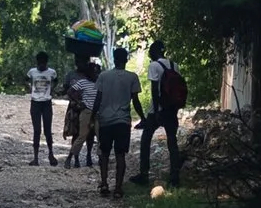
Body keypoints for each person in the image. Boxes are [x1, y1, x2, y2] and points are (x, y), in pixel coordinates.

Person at [134, 37, 183, 188]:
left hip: (158, 110)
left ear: (154, 51)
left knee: (146, 139)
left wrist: (156, 111)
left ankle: (144, 174)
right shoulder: (175, 66)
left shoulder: (154, 65)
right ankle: (175, 177)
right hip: (172, 109)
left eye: (150, 51)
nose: (149, 53)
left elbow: (155, 90)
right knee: (172, 141)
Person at [94, 47, 143, 196]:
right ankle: (118, 188)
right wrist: (143, 117)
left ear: (114, 59)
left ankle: (104, 184)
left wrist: (92, 115)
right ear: (126, 59)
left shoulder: (103, 76)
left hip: (105, 120)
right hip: (123, 121)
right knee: (120, 155)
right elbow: (136, 101)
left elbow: (98, 98)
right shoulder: (132, 77)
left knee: (104, 153)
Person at [25, 51, 59, 165]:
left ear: (46, 62)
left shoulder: (52, 72)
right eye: (39, 63)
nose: (41, 65)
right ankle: (36, 158)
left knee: (48, 131)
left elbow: (56, 82)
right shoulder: (32, 72)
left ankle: (51, 154)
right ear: (37, 62)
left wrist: (51, 90)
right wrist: (31, 89)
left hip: (46, 103)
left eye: (43, 63)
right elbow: (26, 81)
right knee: (37, 131)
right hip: (35, 102)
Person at [66, 57, 101, 169]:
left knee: (100, 137)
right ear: (88, 73)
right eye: (93, 71)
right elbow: (70, 91)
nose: (95, 73)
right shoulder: (83, 82)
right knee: (82, 136)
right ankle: (70, 157)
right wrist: (79, 102)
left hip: (98, 113)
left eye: (96, 71)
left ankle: (101, 158)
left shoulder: (100, 83)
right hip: (86, 112)